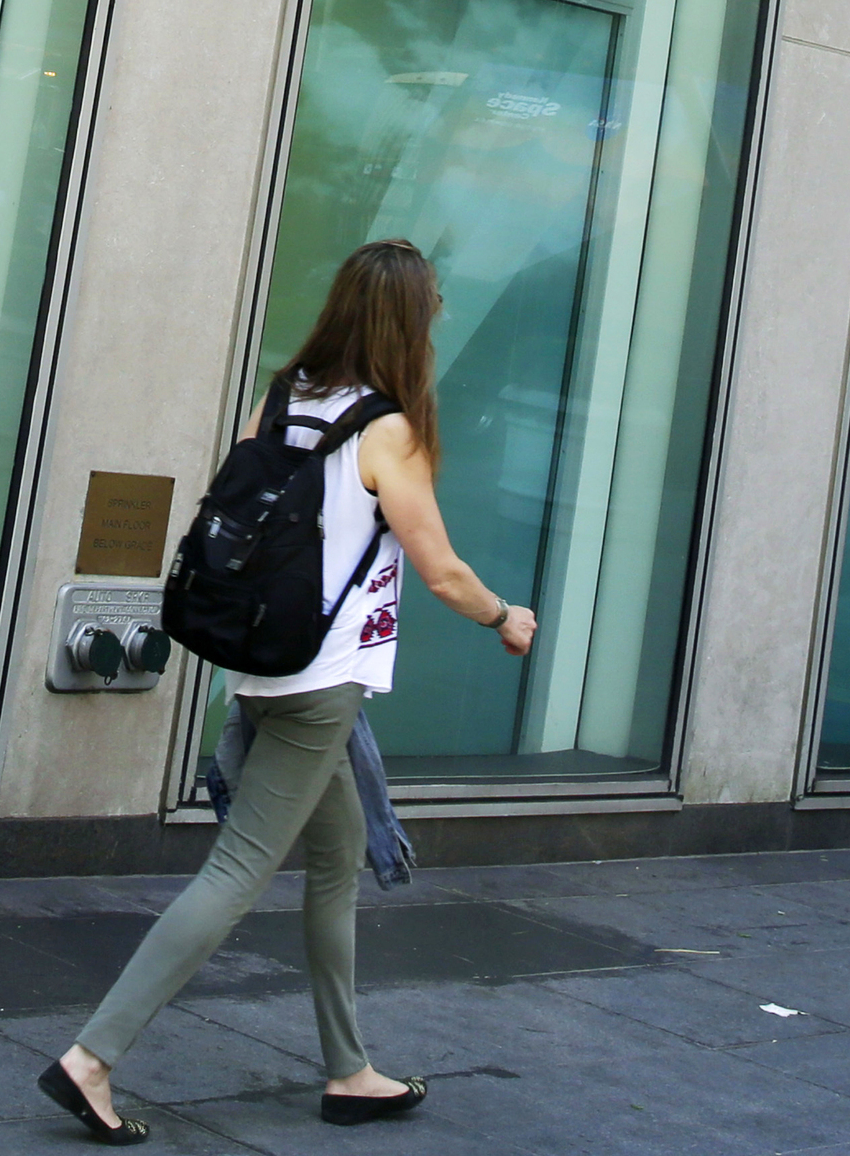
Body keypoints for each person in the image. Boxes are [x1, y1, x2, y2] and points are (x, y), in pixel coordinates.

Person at [43, 242, 538, 1142]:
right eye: (433, 306)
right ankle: (92, 1057)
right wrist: (505, 615)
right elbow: (442, 569)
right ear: (409, 321)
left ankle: (349, 1069)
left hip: (264, 664)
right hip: (322, 685)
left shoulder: (283, 397)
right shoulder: (390, 428)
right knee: (236, 872)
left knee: (338, 856)